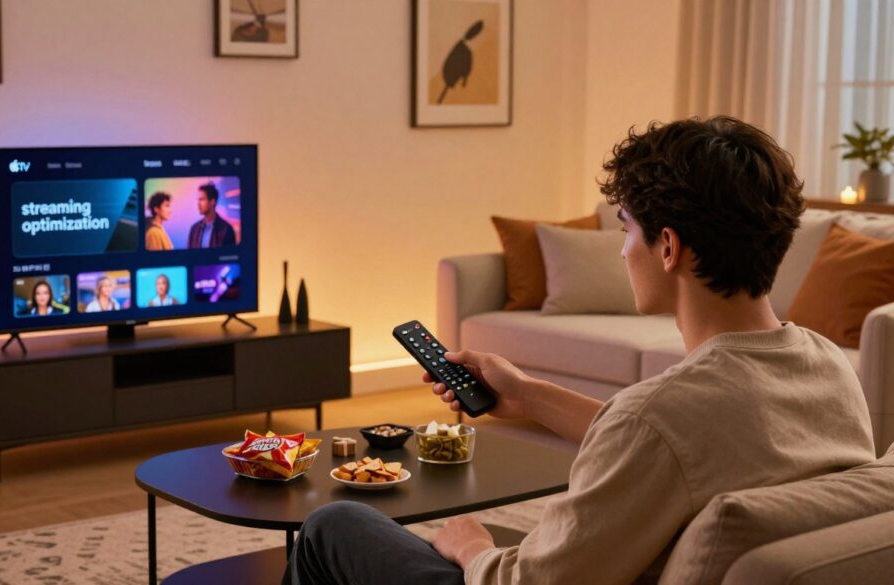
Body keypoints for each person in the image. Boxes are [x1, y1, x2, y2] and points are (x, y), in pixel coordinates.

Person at [283, 116, 877, 585]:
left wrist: (474, 551)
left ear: (668, 247)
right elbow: (687, 452)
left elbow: (529, 578)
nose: (622, 251)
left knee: (334, 525)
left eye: (625, 229)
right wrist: (529, 395)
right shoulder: (826, 367)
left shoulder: (663, 416)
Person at [187, 182, 237, 249]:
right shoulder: (195, 229)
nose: (198, 204)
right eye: (198, 200)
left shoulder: (226, 230)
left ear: (212, 202)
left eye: (202, 199)